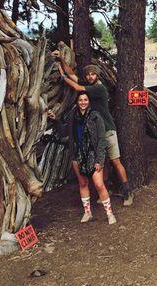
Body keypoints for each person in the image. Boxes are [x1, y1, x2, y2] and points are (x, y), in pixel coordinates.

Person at [52, 51, 134, 206]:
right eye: (88, 74)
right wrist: (61, 59)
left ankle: (127, 192)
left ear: (97, 75)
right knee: (102, 163)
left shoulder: (99, 88)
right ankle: (107, 189)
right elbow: (73, 75)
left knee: (115, 161)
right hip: (96, 134)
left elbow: (75, 85)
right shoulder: (88, 87)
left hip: (108, 131)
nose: (90, 76)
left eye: (92, 74)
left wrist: (62, 76)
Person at [48, 92, 116, 224]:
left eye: (85, 100)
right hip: (77, 155)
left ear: (89, 101)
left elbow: (102, 139)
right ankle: (87, 213)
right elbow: (64, 132)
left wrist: (99, 160)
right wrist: (55, 119)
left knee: (99, 184)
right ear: (77, 102)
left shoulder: (96, 116)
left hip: (94, 155)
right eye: (80, 100)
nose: (83, 102)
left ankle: (109, 213)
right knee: (83, 183)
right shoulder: (73, 116)